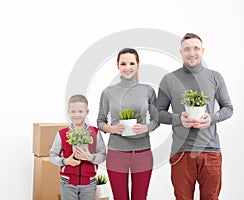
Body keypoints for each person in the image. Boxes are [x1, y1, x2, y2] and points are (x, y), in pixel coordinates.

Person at [156, 33, 233, 200]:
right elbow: (158, 112)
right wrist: (178, 119)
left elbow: (228, 108)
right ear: (181, 52)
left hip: (211, 152)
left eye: (196, 48)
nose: (192, 53)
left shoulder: (215, 77)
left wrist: (211, 118)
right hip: (181, 152)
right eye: (187, 49)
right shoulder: (169, 79)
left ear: (202, 50)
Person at [97, 48, 159, 200]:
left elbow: (156, 119)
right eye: (123, 63)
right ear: (117, 65)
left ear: (138, 65)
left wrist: (146, 128)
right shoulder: (108, 92)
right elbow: (100, 121)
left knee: (140, 197)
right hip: (116, 153)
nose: (127, 67)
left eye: (132, 63)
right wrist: (111, 129)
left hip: (143, 153)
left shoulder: (148, 90)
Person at [50, 94, 106, 200]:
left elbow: (102, 155)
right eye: (73, 111)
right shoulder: (62, 133)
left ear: (87, 112)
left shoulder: (95, 132)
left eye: (80, 111)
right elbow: (52, 156)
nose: (77, 115)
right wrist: (66, 161)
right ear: (68, 112)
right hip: (67, 184)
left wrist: (90, 157)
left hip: (89, 183)